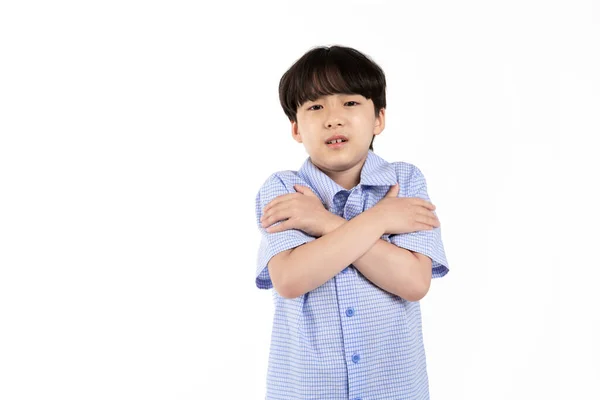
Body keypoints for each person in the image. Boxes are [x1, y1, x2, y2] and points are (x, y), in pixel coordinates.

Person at [254, 45, 450, 400]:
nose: (333, 118)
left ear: (378, 118)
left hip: (395, 390)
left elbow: (413, 282)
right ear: (296, 128)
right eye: (315, 106)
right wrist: (381, 220)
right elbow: (291, 279)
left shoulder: (404, 183)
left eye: (350, 103)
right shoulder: (284, 189)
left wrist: (323, 223)